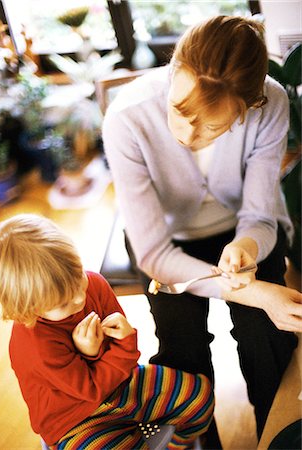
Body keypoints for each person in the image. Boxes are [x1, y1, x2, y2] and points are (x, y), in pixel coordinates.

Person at [102, 15, 302, 448]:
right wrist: (253, 292)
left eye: (211, 126)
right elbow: (153, 252)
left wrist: (247, 245)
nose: (186, 135)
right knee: (182, 352)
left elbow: (261, 215)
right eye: (179, 113)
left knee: (267, 341)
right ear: (175, 67)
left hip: (243, 231)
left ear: (250, 107)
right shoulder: (127, 118)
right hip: (167, 244)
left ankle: (276, 438)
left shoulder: (272, 102)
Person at [0, 213, 214, 449]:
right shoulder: (34, 345)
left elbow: (121, 362)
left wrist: (117, 342)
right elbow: (90, 389)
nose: (80, 298)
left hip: (121, 385)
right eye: (63, 303)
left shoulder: (94, 284)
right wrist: (101, 351)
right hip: (74, 421)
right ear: (28, 311)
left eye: (78, 277)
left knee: (199, 395)